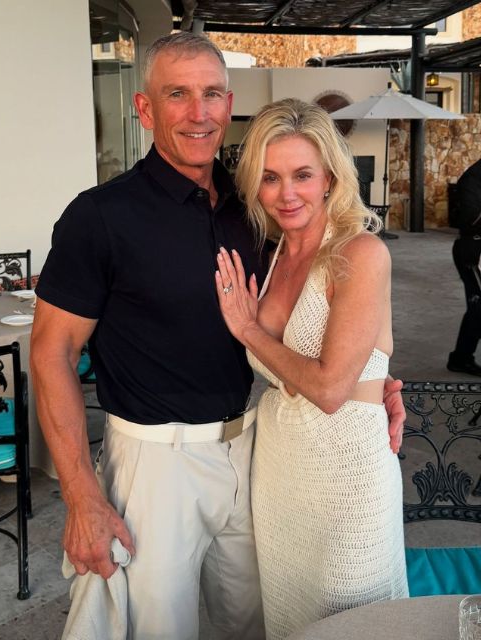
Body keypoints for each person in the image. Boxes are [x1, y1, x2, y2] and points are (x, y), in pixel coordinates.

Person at [30, 32, 405, 639]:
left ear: (229, 106)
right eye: (177, 94)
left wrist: (375, 379)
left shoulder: (253, 207)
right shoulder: (100, 216)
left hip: (255, 455)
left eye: (211, 94)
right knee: (158, 628)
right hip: (157, 464)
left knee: (260, 622)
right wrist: (80, 495)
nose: (198, 113)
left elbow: (322, 312)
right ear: (144, 108)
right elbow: (51, 351)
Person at [215, 98, 409, 640]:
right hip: (281, 473)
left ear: (329, 177)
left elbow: (329, 388)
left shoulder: (360, 253)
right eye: (270, 177)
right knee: (291, 618)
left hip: (348, 477)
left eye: (302, 175)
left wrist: (249, 330)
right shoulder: (276, 254)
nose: (287, 194)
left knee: (353, 618)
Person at [447, 158, 481, 376]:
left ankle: (461, 357)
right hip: (472, 251)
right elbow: (469, 218)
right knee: (479, 307)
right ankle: (460, 358)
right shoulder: (471, 179)